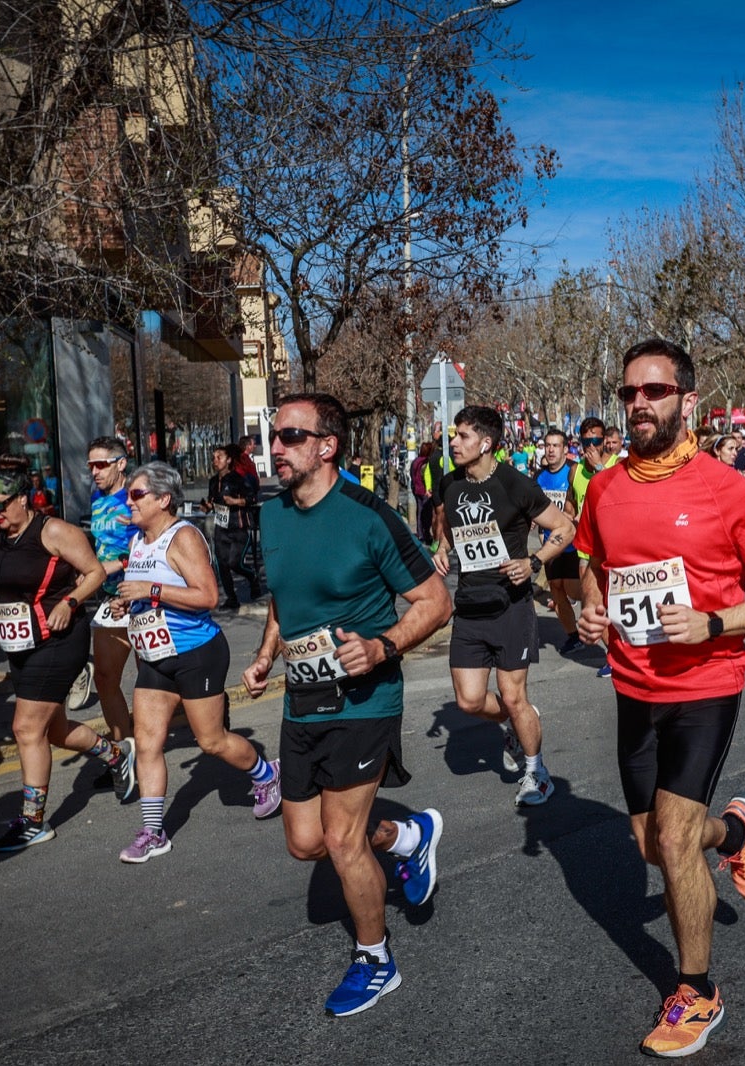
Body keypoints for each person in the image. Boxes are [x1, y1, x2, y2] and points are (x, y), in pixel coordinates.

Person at [574, 339, 745, 1058]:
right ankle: (734, 834)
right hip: (632, 686)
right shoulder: (605, 488)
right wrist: (586, 611)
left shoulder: (725, 487)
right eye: (629, 393)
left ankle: (697, 993)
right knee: (651, 845)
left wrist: (713, 622)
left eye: (655, 391)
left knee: (671, 839)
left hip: (706, 682)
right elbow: (592, 569)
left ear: (687, 401)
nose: (639, 404)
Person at [242, 392, 453, 1018]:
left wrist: (383, 646)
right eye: (273, 435)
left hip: (365, 702)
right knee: (305, 843)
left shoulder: (368, 516)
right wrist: (265, 652)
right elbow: (284, 598)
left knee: (340, 840)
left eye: (289, 436)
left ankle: (375, 959)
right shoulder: (272, 515)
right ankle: (408, 836)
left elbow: (435, 601)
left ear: (326, 446)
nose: (275, 447)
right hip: (302, 700)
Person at [110, 462, 281, 863]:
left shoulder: (182, 537)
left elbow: (207, 597)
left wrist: (150, 588)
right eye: (128, 496)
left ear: (163, 499)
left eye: (136, 495)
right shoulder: (139, 540)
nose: (129, 502)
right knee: (148, 744)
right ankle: (152, 831)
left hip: (195, 655)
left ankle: (266, 775)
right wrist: (129, 601)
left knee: (211, 741)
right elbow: (149, 593)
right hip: (155, 657)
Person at [0, 467, 135, 851]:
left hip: (58, 640)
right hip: (20, 644)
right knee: (54, 730)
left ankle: (33, 822)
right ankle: (116, 755)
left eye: (0, 506)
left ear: (22, 499)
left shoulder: (55, 532)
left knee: (26, 729)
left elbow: (93, 572)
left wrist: (69, 601)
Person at [432, 405, 575, 807]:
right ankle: (516, 726)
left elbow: (565, 528)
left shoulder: (515, 484)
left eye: (462, 436)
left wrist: (533, 562)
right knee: (469, 701)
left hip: (511, 605)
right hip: (470, 605)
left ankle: (537, 772)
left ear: (486, 443)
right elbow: (446, 525)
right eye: (454, 435)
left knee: (513, 696)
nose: (454, 442)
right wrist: (442, 548)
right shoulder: (449, 484)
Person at [86, 436, 137, 749]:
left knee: (154, 682)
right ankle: (124, 748)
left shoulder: (135, 497)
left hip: (141, 598)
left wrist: (109, 567)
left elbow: (150, 546)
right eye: (91, 465)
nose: (94, 471)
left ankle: (213, 705)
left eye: (101, 464)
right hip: (109, 598)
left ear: (121, 464)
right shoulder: (97, 498)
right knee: (105, 678)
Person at [571, 417, 619, 678]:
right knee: (593, 607)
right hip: (585, 549)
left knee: (616, 604)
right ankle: (614, 656)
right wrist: (571, 516)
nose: (592, 445)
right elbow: (570, 502)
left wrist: (600, 468)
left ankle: (625, 653)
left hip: (613, 546)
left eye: (597, 440)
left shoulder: (617, 465)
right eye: (587, 440)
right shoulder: (575, 470)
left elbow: (622, 495)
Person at [534, 428, 584, 655]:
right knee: (555, 588)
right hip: (550, 544)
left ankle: (600, 616)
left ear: (566, 449)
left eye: (556, 445)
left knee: (574, 591)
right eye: (548, 445)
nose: (551, 450)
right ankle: (573, 636)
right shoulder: (539, 476)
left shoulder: (574, 472)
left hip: (574, 543)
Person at [206, 443, 263, 609]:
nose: (215, 461)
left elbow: (252, 498)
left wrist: (236, 501)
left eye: (219, 458)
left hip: (238, 527)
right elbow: (213, 501)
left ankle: (252, 577)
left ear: (229, 460)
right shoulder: (213, 481)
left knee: (234, 562)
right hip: (221, 527)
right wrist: (208, 506)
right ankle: (232, 598)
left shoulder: (238, 479)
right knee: (221, 564)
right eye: (213, 458)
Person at [409, 441, 435, 542]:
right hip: (425, 490)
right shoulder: (426, 462)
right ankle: (426, 533)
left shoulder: (415, 461)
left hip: (417, 490)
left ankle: (420, 533)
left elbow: (412, 475)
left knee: (419, 512)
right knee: (427, 513)